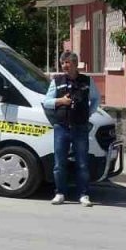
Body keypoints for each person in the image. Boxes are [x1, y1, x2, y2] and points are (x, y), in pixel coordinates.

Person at [43, 51, 100, 207]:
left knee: (82, 163)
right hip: (61, 127)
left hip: (80, 127)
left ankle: (84, 194)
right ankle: (60, 193)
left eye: (67, 63)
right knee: (59, 163)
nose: (64, 66)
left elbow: (96, 99)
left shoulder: (87, 81)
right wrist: (60, 101)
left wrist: (88, 112)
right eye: (62, 63)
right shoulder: (57, 81)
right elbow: (46, 101)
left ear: (75, 64)